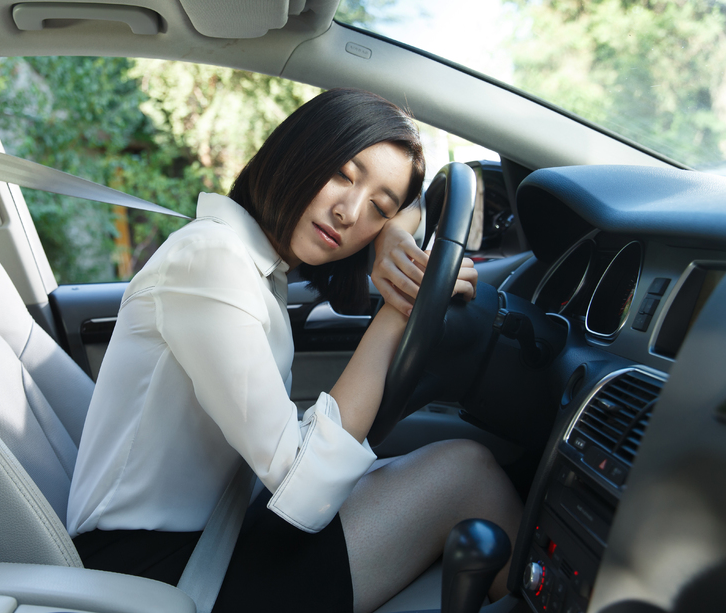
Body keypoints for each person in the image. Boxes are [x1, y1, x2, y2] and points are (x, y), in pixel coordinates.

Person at [67, 88, 522, 613]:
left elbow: (414, 205)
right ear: (297, 152)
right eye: (343, 175)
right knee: (466, 474)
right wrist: (401, 309)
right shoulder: (211, 260)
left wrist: (393, 238)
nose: (350, 212)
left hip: (215, 537)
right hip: (154, 580)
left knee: (455, 467)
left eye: (377, 207)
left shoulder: (253, 263)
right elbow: (304, 487)